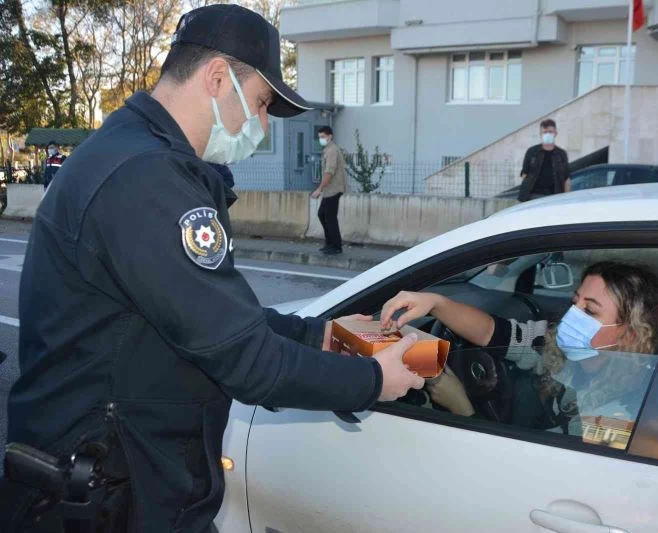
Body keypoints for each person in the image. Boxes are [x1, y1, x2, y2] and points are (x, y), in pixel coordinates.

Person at [0, 5, 424, 532]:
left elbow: (215, 317)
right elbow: (247, 359)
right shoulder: (146, 179)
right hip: (106, 491)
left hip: (120, 476)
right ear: (218, 77)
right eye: (264, 105)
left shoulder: (133, 155)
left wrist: (325, 335)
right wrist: (372, 379)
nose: (263, 127)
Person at [380, 262, 658, 436]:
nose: (573, 315)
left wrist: (461, 408)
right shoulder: (563, 349)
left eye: (590, 311)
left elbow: (535, 470)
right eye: (575, 301)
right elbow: (493, 332)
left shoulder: (622, 413)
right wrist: (436, 303)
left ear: (630, 335)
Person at [518, 119, 571, 202]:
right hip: (532, 196)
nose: (548, 134)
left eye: (550, 132)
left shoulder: (561, 154)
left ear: (555, 133)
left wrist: (567, 198)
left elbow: (566, 179)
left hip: (554, 197)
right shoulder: (532, 152)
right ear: (540, 134)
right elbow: (524, 174)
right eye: (545, 132)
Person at [313, 126, 346, 255]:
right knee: (323, 214)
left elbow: (329, 172)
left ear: (330, 136)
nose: (320, 139)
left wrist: (319, 189)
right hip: (330, 189)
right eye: (319, 137)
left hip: (334, 188)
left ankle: (336, 246)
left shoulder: (332, 150)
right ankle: (330, 243)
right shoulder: (328, 149)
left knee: (330, 217)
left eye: (323, 137)